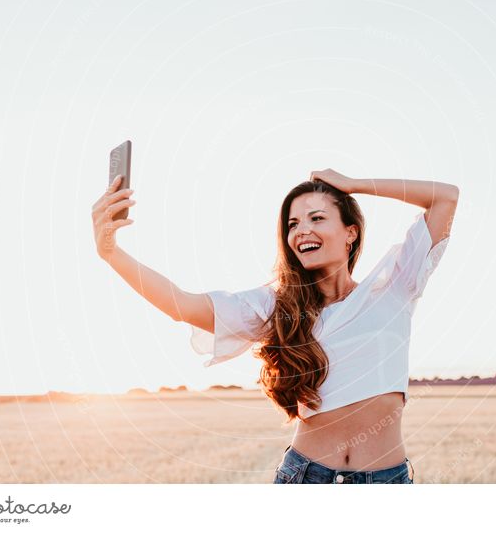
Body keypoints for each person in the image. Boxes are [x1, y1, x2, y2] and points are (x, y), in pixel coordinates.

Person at [91, 168, 459, 484]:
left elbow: (445, 197)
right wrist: (111, 253)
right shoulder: (277, 305)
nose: (301, 231)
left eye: (317, 218)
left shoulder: (395, 287)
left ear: (350, 232)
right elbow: (183, 305)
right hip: (305, 478)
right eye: (293, 224)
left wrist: (353, 184)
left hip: (386, 482)